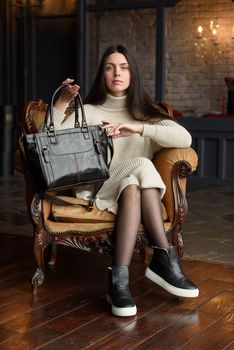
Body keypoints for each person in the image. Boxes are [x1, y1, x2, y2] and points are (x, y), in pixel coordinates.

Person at [53, 44, 199, 317]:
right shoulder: (89, 111)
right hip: (97, 188)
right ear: (102, 74)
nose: (116, 73)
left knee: (133, 182)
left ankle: (118, 283)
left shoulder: (145, 112)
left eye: (123, 67)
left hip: (134, 192)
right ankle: (164, 256)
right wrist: (62, 103)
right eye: (109, 68)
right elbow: (51, 142)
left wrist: (139, 128)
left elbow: (185, 140)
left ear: (133, 74)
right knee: (142, 165)